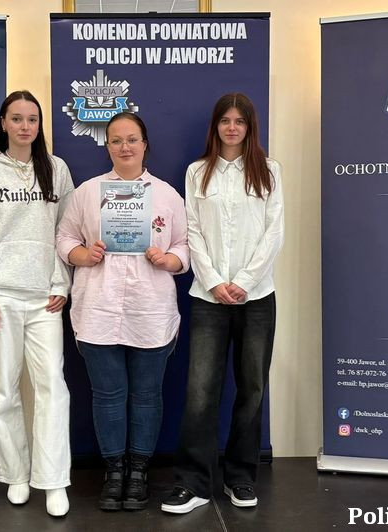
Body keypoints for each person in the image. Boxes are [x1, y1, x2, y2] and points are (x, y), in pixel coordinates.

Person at [56, 112, 189, 511]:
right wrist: (83, 254)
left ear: (145, 144)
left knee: (147, 395)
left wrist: (169, 260)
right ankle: (114, 471)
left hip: (151, 309)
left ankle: (139, 472)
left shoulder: (167, 195)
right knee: (108, 395)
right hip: (98, 307)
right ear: (107, 146)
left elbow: (185, 245)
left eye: (132, 139)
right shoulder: (87, 193)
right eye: (116, 140)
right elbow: (64, 237)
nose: (124, 147)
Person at [161, 93, 284, 514]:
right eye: (225, 121)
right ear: (215, 126)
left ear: (250, 127)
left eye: (240, 121)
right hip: (208, 296)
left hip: (257, 296)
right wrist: (214, 281)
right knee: (200, 391)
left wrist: (244, 281)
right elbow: (192, 230)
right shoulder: (198, 172)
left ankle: (241, 478)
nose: (232, 128)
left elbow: (274, 231)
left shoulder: (269, 170)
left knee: (251, 389)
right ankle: (193, 483)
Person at [0, 90, 73, 517]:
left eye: (32, 119)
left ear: (39, 125)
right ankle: (16, 475)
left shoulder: (56, 170)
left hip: (44, 299)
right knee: (4, 391)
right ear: (4, 123)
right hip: (0, 298)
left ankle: (53, 479)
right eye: (17, 118)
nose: (25, 126)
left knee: (52, 387)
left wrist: (61, 282)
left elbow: (66, 232)